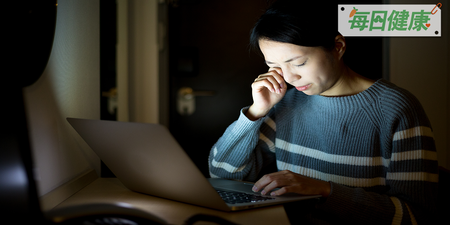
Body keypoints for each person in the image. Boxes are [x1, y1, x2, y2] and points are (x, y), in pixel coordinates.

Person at [208, 0, 438, 224]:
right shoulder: (286, 103)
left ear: (338, 47)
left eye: (298, 63)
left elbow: (416, 217)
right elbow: (223, 173)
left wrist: (325, 190)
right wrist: (256, 112)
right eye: (275, 66)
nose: (288, 78)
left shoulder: (396, 108)